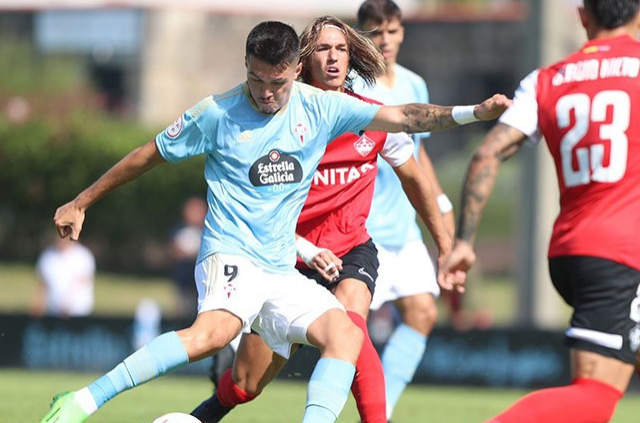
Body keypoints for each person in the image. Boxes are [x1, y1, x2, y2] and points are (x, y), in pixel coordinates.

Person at [39, 20, 508, 423]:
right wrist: (83, 200)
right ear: (247, 66)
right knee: (213, 335)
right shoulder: (216, 112)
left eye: (277, 83)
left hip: (281, 268)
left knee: (344, 334)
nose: (265, 93)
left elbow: (403, 116)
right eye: (256, 80)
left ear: (295, 72)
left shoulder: (321, 107)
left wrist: (474, 114)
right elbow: (149, 155)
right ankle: (83, 399)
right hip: (232, 255)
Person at [191, 15, 461, 423]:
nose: (333, 58)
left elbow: (415, 180)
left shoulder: (371, 117)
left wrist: (443, 244)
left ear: (351, 57)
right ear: (302, 62)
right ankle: (204, 414)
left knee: (351, 329)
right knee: (246, 384)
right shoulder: (278, 118)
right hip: (286, 261)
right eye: (322, 49)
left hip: (351, 250)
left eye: (340, 49)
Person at [445, 1, 640, 422]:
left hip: (571, 251)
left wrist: (463, 243)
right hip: (620, 257)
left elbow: (485, 156)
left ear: (583, 15)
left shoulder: (546, 80)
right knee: (595, 396)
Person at [352, 0, 459, 419]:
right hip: (363, 229)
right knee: (344, 328)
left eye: (393, 31)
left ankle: (384, 408)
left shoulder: (415, 85)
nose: (386, 40)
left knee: (422, 313)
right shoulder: (353, 88)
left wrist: (442, 204)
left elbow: (420, 157)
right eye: (376, 32)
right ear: (360, 34)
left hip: (403, 229)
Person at [30, 232, 95, 318]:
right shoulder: (47, 257)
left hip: (79, 314)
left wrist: (68, 304)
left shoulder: (83, 256)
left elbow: (81, 283)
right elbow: (43, 286)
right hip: (53, 313)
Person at [170, 196, 207, 319]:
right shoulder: (180, 230)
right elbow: (172, 251)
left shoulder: (209, 231)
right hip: (185, 284)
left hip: (205, 284)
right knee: (184, 315)